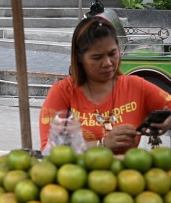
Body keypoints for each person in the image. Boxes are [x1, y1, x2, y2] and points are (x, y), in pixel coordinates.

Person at [39, 15, 171, 154]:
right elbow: (48, 150)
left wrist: (167, 121)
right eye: (97, 57)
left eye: (112, 53)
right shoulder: (62, 92)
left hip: (128, 174)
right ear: (79, 57)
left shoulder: (136, 86)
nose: (108, 63)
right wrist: (101, 144)